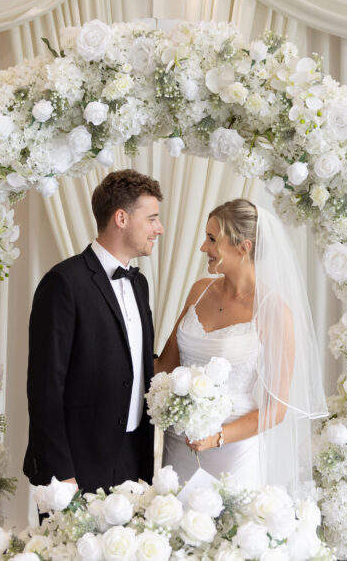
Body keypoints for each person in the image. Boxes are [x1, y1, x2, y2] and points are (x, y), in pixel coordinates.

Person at [155, 198, 327, 490]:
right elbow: (165, 367)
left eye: (212, 239)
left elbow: (276, 410)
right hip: (179, 443)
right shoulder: (199, 290)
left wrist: (217, 437)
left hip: (232, 452)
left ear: (243, 247)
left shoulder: (274, 311)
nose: (203, 248)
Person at [23, 169, 164, 493]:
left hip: (131, 460)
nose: (159, 228)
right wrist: (62, 473)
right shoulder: (63, 283)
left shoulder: (139, 284)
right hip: (76, 464)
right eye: (152, 218)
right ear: (121, 218)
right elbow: (45, 386)